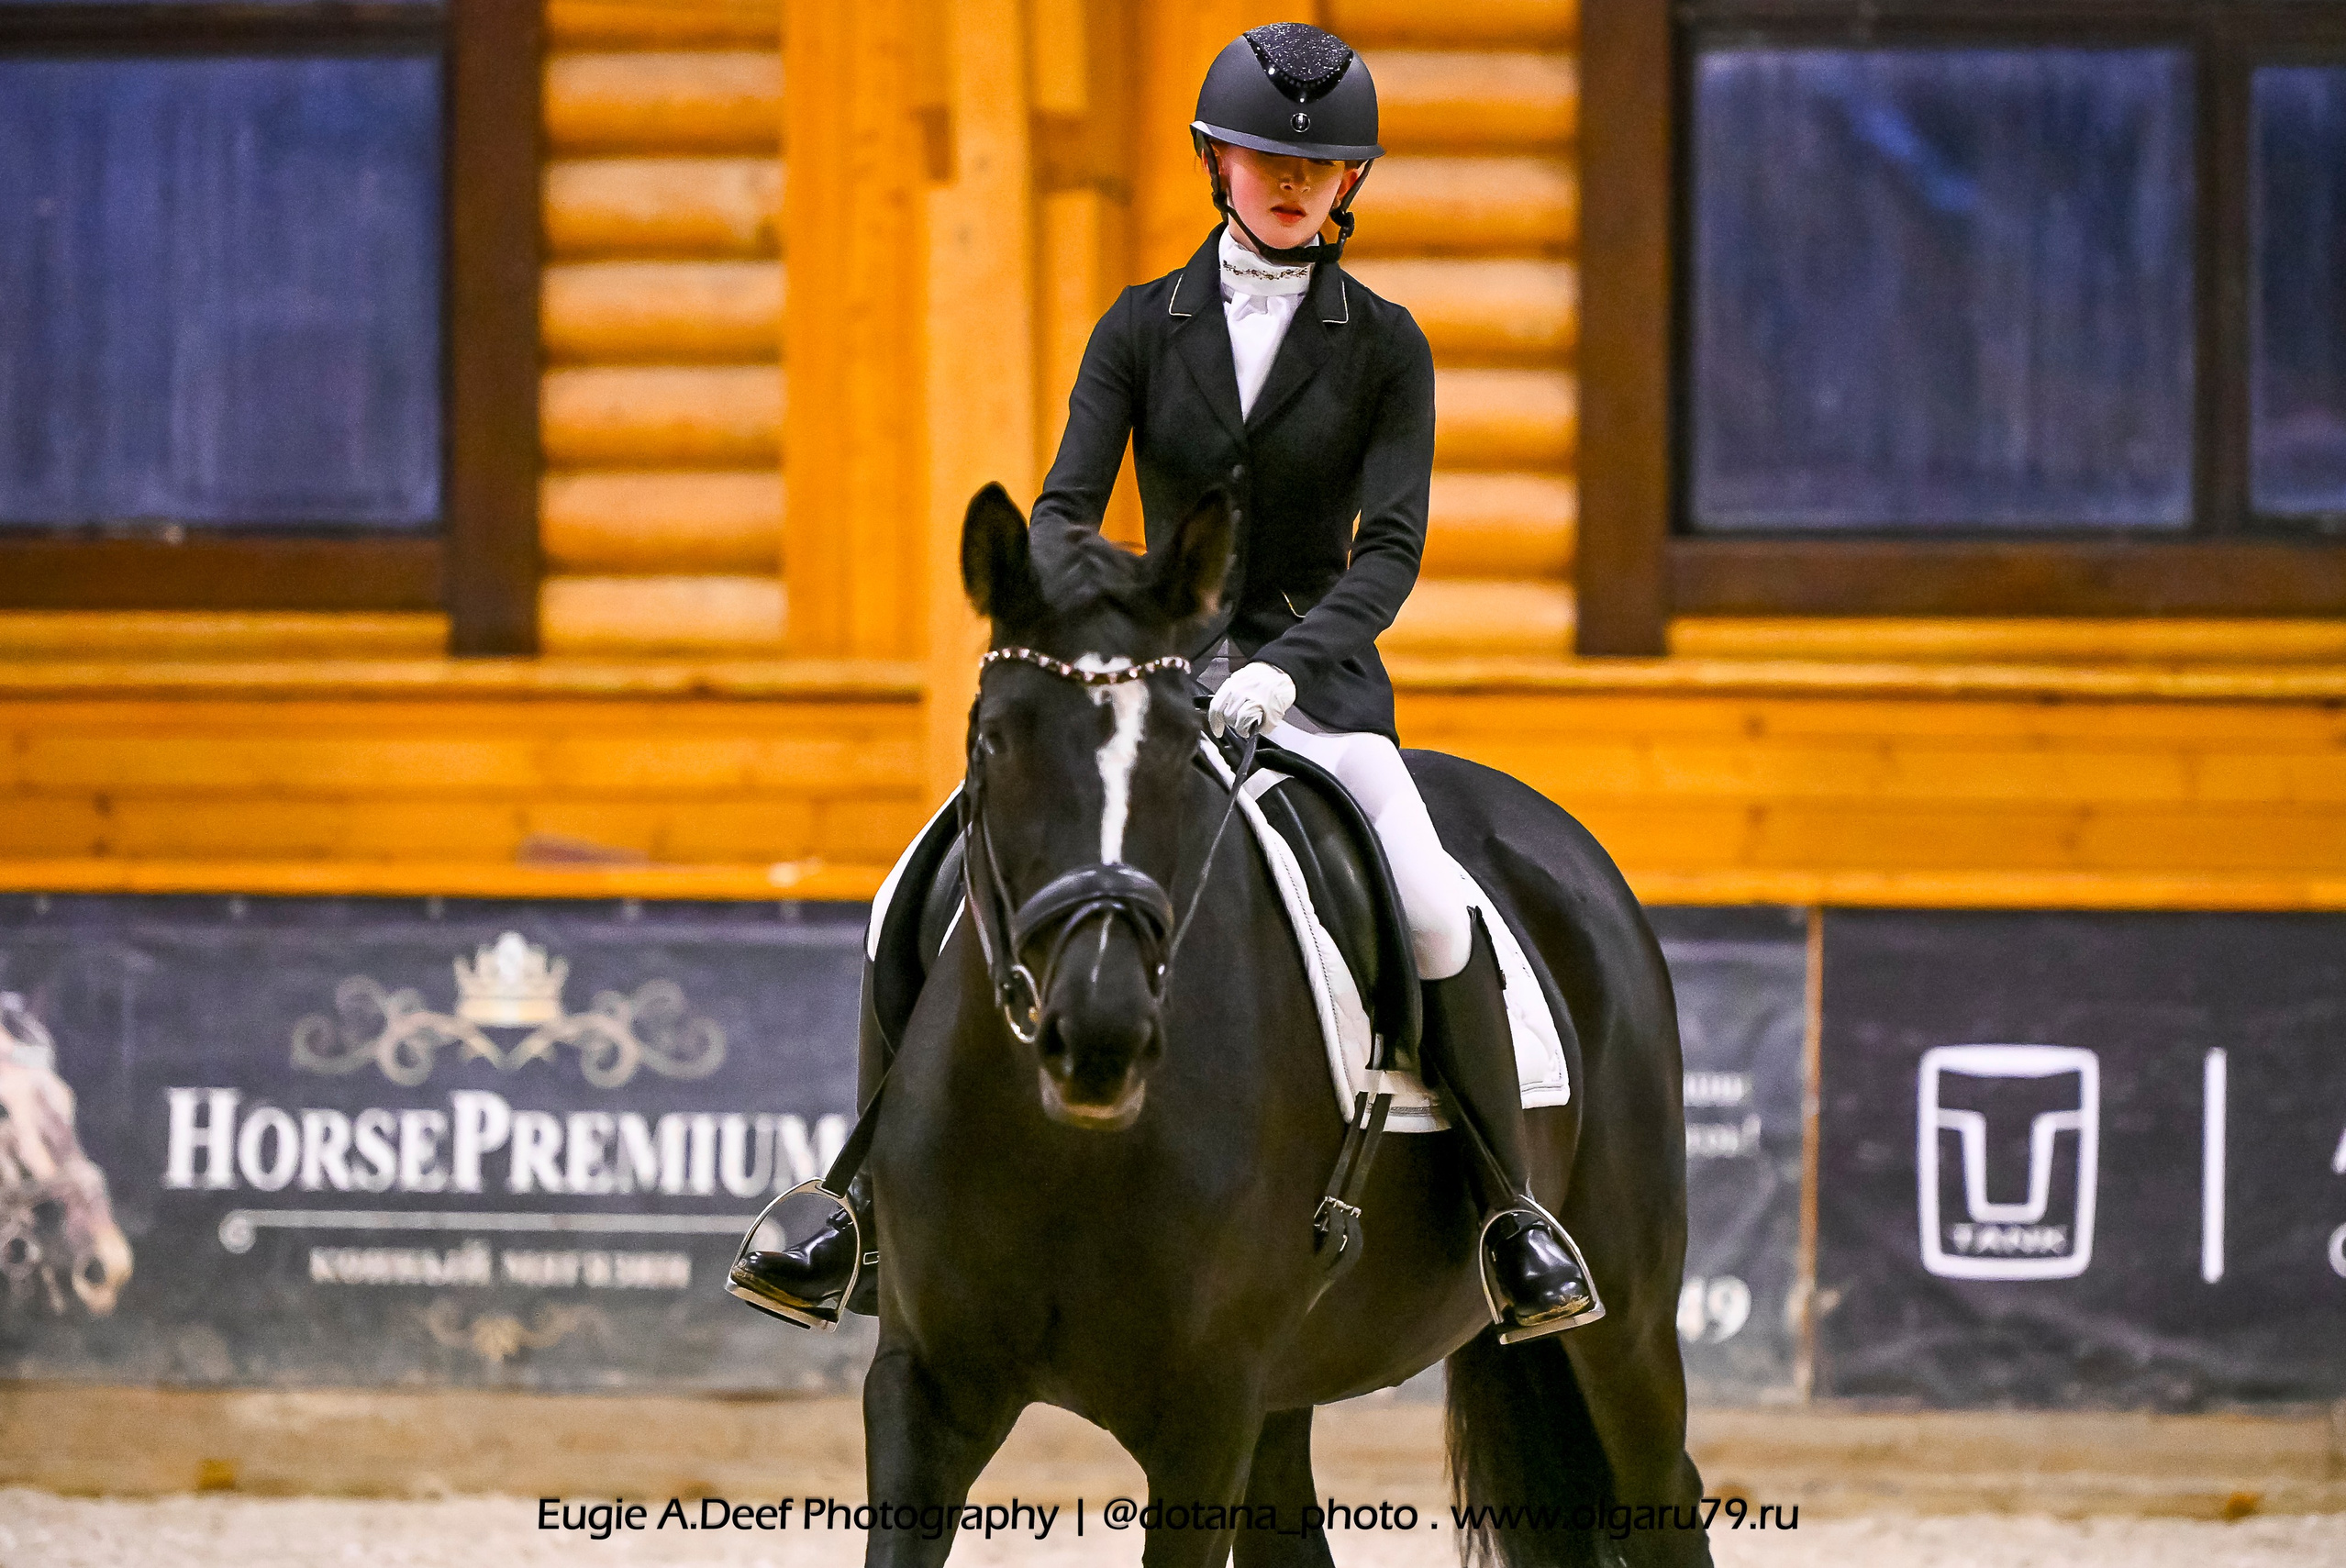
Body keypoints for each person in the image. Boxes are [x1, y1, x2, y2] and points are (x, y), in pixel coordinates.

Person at [735, 22, 1599, 1341]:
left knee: (1428, 902)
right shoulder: (1142, 325)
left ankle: (1505, 1216)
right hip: (1147, 678)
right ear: (1216, 161)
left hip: (1319, 690)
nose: (1291, 182)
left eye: (1320, 166)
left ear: (1350, 183)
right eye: (1265, 157)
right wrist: (1141, 634)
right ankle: (858, 1213)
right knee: (907, 879)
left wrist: (1281, 667)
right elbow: (1064, 510)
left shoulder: (1386, 346)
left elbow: (1393, 552)